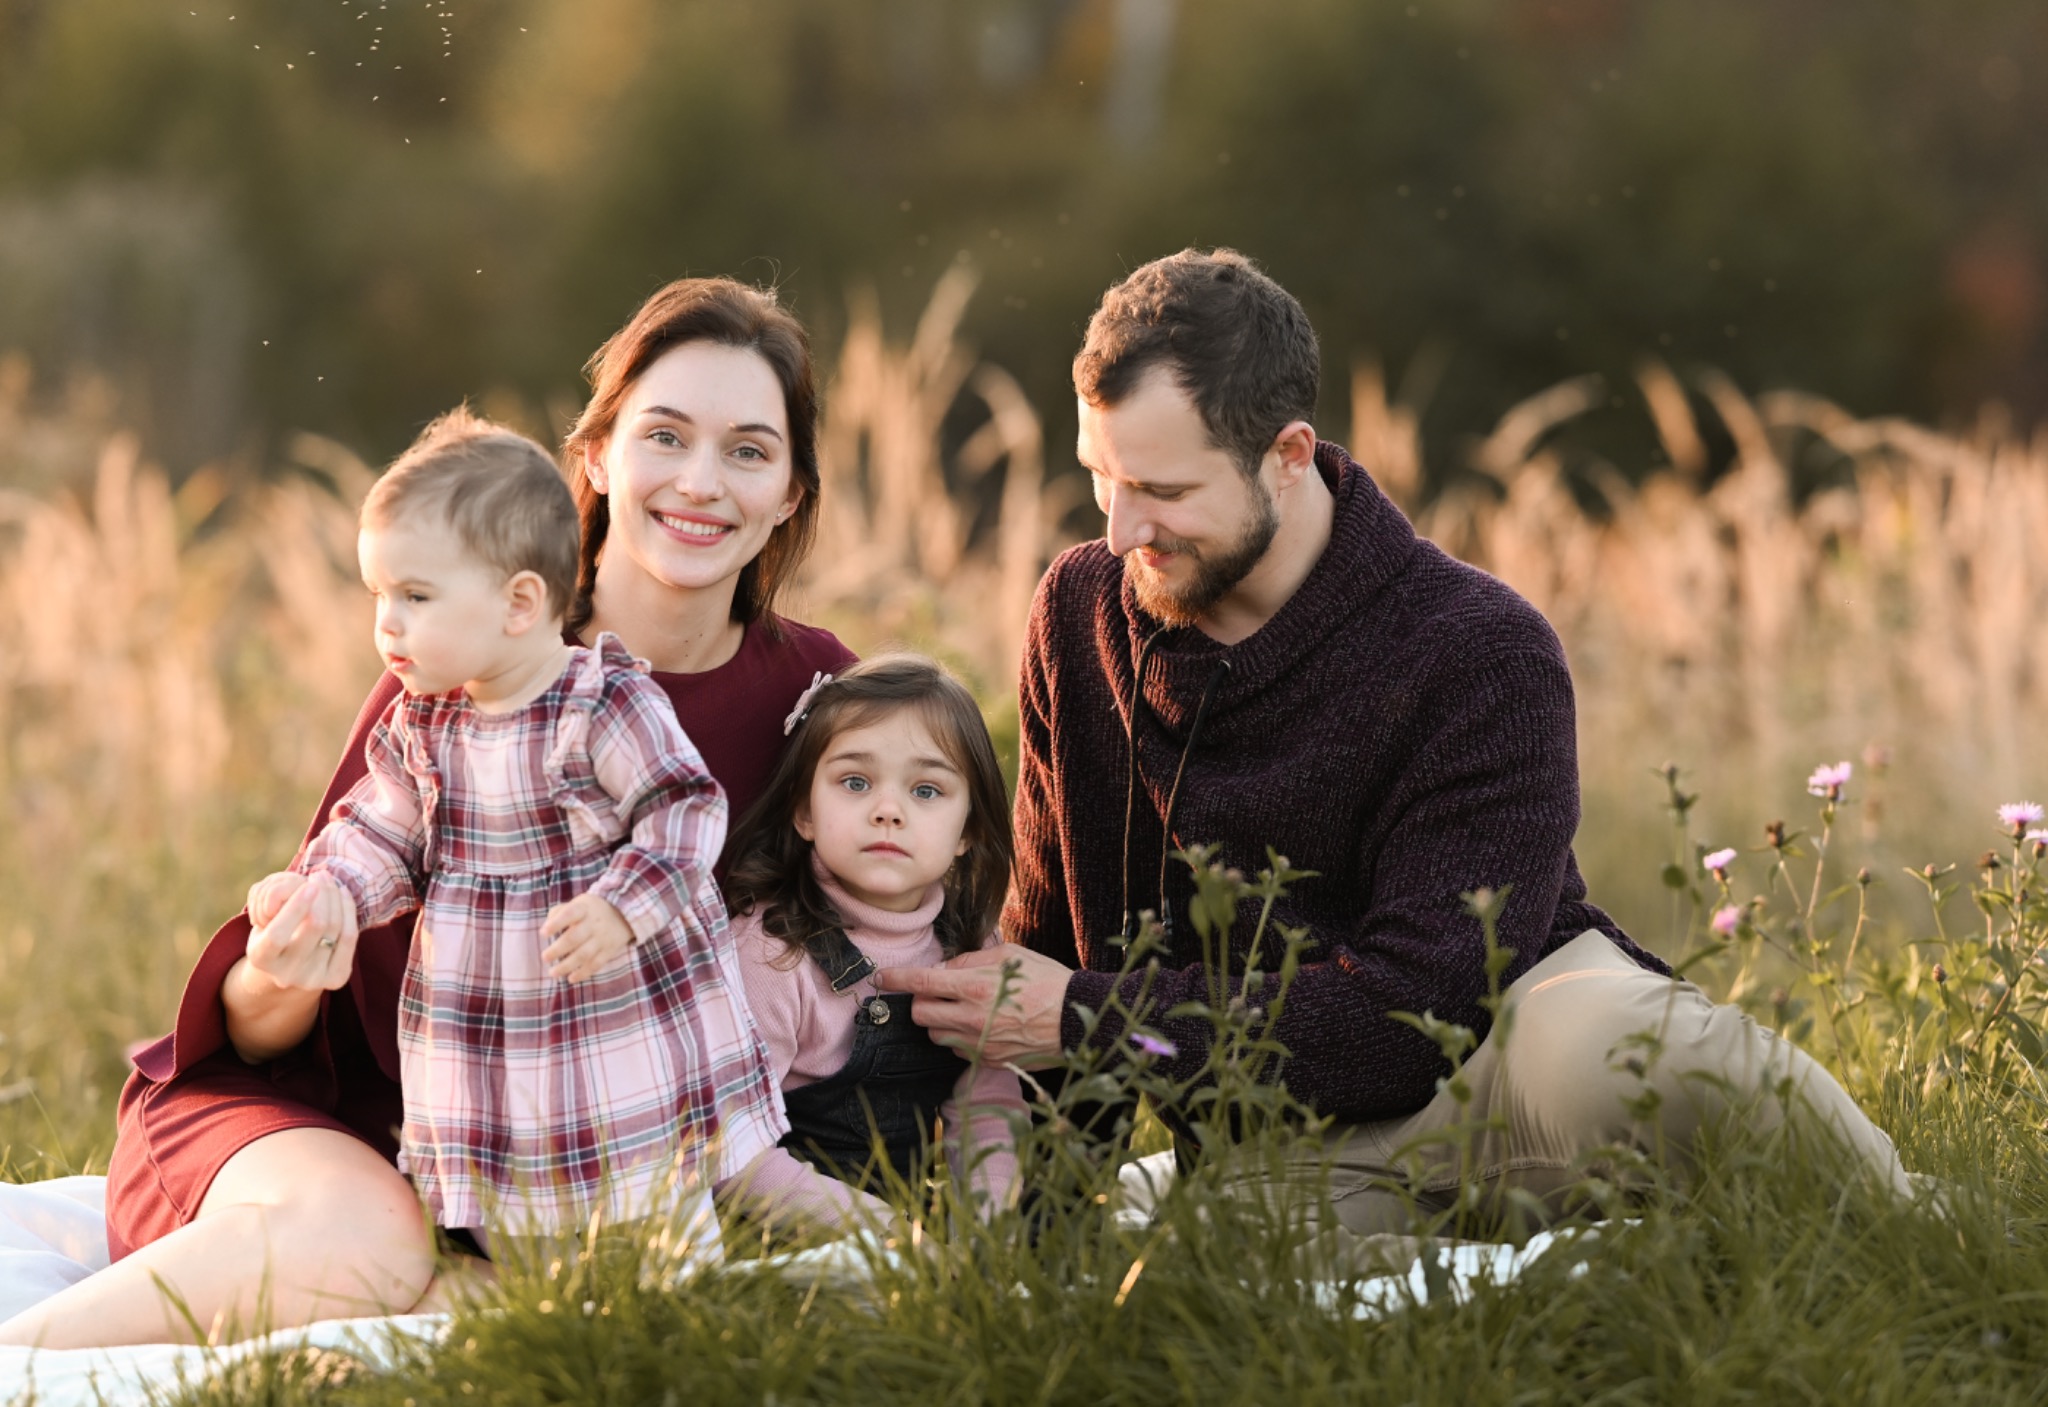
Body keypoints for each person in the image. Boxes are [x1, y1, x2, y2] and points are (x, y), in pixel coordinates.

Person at [880, 248, 1916, 1251]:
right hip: (1284, 1133)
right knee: (1206, 1258)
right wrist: (1030, 1222)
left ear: (1286, 457)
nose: (1117, 530)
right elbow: (1047, 963)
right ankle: (1609, 1256)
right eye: (1099, 477)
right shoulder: (1078, 613)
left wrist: (1087, 1018)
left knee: (1628, 1056)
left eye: (1162, 490)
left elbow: (1411, 1015)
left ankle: (1921, 1225)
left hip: (1505, 1054)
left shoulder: (1477, 650)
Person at [0, 276, 855, 1348]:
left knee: (586, 1311)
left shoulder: (820, 700)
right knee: (371, 1246)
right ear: (596, 456)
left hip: (558, 1169)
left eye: (747, 449)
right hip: (320, 1122)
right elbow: (274, 1014)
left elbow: (895, 934)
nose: (698, 481)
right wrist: (288, 950)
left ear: (788, 492)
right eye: (665, 435)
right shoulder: (461, 663)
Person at [250, 409, 784, 1247]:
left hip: (614, 1015)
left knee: (649, 1213)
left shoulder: (601, 701)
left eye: (415, 596)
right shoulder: (424, 721)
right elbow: (378, 828)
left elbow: (683, 809)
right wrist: (323, 889)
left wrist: (622, 906)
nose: (386, 623)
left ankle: (676, 1311)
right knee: (517, 1231)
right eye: (378, 595)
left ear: (519, 602)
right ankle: (537, 1311)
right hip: (489, 1032)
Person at [717, 655, 1024, 1232]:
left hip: (914, 1232)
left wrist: (977, 1229)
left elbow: (988, 1107)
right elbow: (728, 1152)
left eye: (927, 790)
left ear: (970, 832)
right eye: (855, 782)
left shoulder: (970, 945)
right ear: (805, 811)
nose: (888, 810)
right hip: (787, 1233)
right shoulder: (772, 956)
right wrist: (882, 1238)